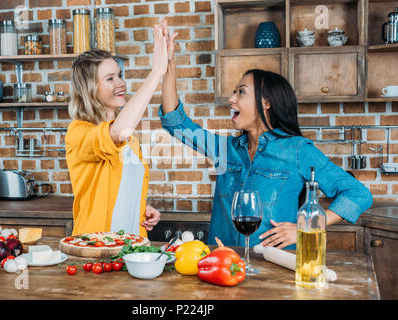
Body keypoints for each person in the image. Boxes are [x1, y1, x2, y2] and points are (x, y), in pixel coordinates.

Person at [158, 22, 373, 249]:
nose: (232, 99)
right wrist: (169, 64)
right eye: (234, 92)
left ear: (266, 102)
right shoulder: (225, 149)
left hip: (273, 268)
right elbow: (176, 122)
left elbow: (358, 193)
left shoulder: (297, 150)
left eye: (241, 92)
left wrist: (308, 226)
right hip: (223, 265)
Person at [65, 24, 168, 237]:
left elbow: (119, 189)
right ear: (89, 89)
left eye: (119, 75)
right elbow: (117, 131)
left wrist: (141, 210)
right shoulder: (79, 132)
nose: (120, 83)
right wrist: (157, 72)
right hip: (95, 246)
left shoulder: (131, 140)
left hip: (131, 245)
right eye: (109, 78)